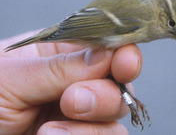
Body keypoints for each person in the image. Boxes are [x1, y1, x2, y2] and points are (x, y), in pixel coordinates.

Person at [0, 30, 142, 135]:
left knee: (114, 75)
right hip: (92, 31)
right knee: (113, 71)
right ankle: (128, 99)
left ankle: (128, 99)